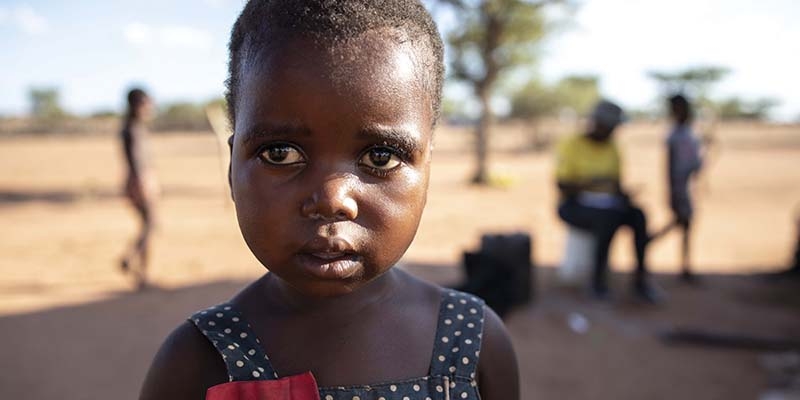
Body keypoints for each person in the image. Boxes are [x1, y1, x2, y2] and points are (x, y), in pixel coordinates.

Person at [139, 1, 519, 400]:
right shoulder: (198, 362)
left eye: (381, 156)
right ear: (232, 170)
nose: (333, 200)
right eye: (280, 153)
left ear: (426, 173)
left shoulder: (472, 342)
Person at [555, 100, 661, 303]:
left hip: (608, 205)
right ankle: (597, 282)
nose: (613, 131)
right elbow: (563, 187)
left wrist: (624, 195)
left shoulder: (613, 147)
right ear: (597, 123)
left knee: (638, 215)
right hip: (573, 206)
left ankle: (641, 281)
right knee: (608, 220)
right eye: (610, 126)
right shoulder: (572, 144)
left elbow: (616, 186)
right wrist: (593, 184)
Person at [119, 88, 159, 290]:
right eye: (147, 102)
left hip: (140, 179)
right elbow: (134, 159)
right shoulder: (132, 129)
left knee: (148, 224)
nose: (150, 106)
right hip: (139, 181)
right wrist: (141, 182)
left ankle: (141, 272)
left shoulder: (135, 127)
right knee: (150, 224)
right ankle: (132, 261)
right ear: (138, 104)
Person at [663, 94, 704, 282]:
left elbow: (694, 162)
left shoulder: (688, 132)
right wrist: (672, 191)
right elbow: (669, 167)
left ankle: (685, 266)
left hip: (686, 186)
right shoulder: (674, 134)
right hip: (679, 188)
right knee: (682, 222)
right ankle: (645, 244)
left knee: (684, 224)